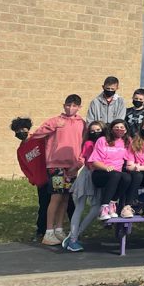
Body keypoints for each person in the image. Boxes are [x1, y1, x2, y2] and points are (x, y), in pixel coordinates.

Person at [30, 94, 85, 244]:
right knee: (56, 197)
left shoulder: (82, 123)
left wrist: (79, 163)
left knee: (66, 198)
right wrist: (53, 126)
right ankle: (48, 232)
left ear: (79, 107)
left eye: (74, 106)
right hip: (56, 165)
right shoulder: (55, 121)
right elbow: (37, 134)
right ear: (63, 105)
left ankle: (59, 229)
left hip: (72, 167)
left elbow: (84, 145)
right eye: (68, 105)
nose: (70, 108)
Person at [61, 121, 104, 252]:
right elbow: (88, 161)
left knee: (97, 208)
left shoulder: (106, 143)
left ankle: (76, 233)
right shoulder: (88, 144)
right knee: (79, 207)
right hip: (88, 176)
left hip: (99, 176)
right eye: (92, 131)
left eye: (98, 130)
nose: (95, 133)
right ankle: (73, 240)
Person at [11, 117, 50, 242]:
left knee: (66, 202)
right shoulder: (20, 150)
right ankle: (41, 231)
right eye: (17, 131)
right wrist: (33, 179)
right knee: (43, 207)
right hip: (40, 182)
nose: (20, 132)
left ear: (28, 129)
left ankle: (74, 229)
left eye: (22, 129)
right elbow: (24, 167)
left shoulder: (39, 139)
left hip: (52, 176)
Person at [90, 119, 131, 221]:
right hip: (101, 173)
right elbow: (94, 162)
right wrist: (106, 167)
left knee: (127, 177)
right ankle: (103, 207)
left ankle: (112, 203)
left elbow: (131, 157)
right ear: (111, 129)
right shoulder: (103, 140)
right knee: (115, 175)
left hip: (117, 174)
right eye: (116, 127)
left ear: (126, 130)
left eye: (122, 128)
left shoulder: (127, 141)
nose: (119, 130)